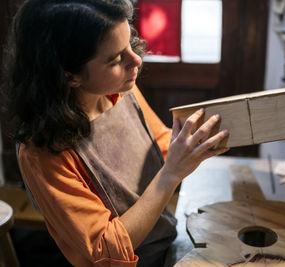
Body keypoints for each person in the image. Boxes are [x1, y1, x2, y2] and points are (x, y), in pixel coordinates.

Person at [0, 0, 229, 266]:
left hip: (165, 243)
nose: (136, 60)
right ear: (69, 76)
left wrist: (207, 140)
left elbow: (160, 147)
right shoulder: (43, 152)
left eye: (129, 44)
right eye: (115, 59)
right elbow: (107, 248)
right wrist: (172, 173)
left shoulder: (118, 92)